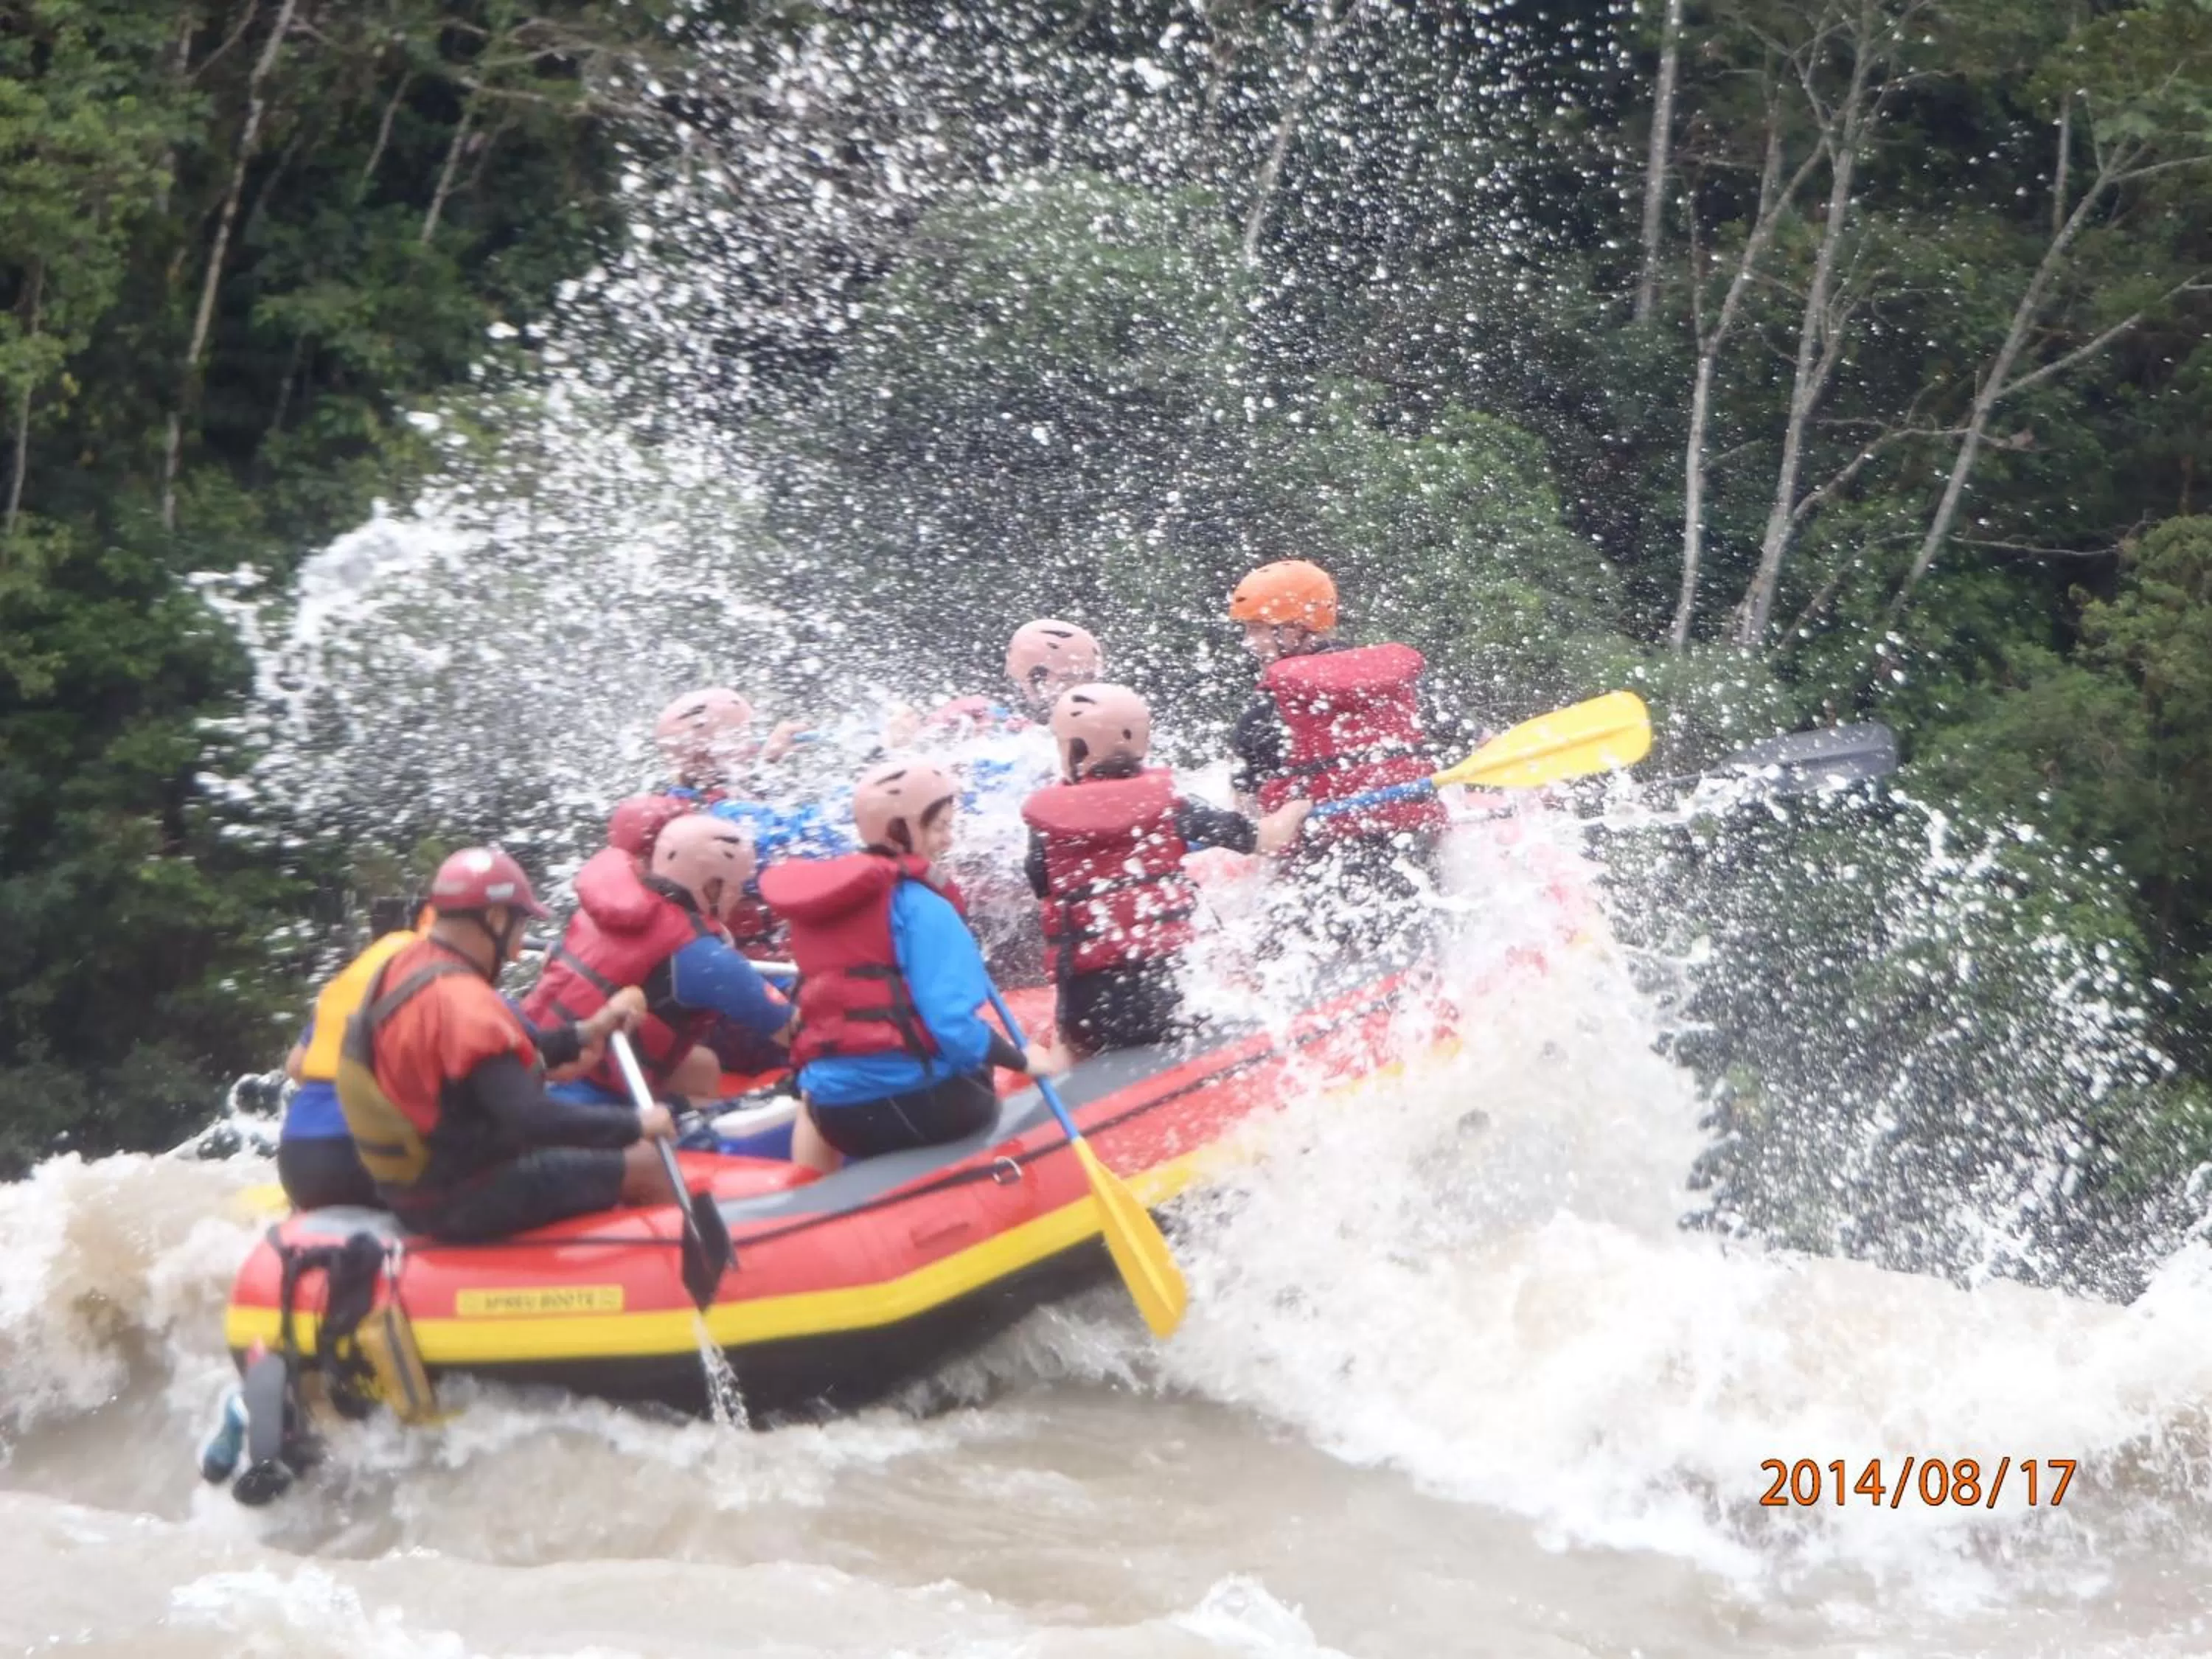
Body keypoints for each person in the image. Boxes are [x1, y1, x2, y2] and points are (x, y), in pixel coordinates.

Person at [335, 847, 677, 1242]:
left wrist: (585, 1033)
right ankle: (680, 1270)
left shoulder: (403, 965)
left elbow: (486, 1069)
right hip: (461, 1198)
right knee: (649, 1164)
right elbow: (531, 1120)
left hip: (418, 1187)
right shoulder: (462, 1001)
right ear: (495, 919)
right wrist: (635, 1123)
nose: (515, 953)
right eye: (519, 926)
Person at [760, 759, 1060, 1172]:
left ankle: (812, 1186)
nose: (948, 839)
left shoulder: (817, 912)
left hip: (840, 1120)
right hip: (928, 1108)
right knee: (991, 1065)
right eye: (939, 827)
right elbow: (951, 1025)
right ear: (901, 831)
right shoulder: (924, 906)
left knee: (816, 1091)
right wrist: (1023, 1060)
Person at [1022, 684, 1309, 1055]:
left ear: (1073, 747)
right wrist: (1299, 806)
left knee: (1065, 1045)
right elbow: (1267, 839)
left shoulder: (1047, 822)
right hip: (1161, 993)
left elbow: (1042, 884)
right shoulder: (1172, 805)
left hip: (1084, 1001)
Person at [1225, 560, 1452, 952]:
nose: (1249, 643)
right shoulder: (1402, 686)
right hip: (1414, 865)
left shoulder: (1267, 709)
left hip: (1317, 880)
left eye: (1257, 629)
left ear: (1295, 628)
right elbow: (1481, 741)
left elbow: (1248, 816)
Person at [522, 814, 793, 1104]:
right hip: (581, 1095)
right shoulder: (702, 955)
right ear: (711, 887)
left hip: (529, 1052)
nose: (738, 897)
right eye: (735, 887)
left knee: (704, 1069)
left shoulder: (606, 906)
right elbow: (793, 1030)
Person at [275, 898, 420, 1211]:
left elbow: (296, 1066)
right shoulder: (427, 982)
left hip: (296, 1155)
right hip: (364, 1158)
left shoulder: (346, 987)